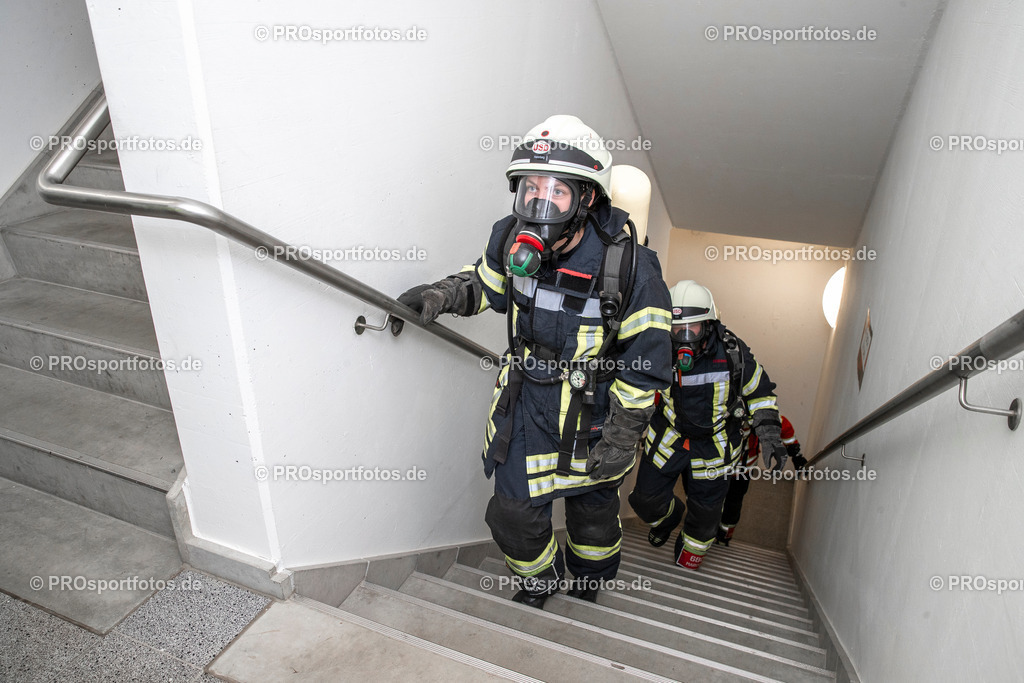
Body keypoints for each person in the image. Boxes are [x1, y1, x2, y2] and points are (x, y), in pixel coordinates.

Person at [397, 115, 673, 608]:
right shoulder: (507, 237)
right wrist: (445, 294)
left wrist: (623, 434)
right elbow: (487, 286)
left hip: (595, 415)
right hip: (525, 402)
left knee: (592, 522)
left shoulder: (629, 266)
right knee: (512, 513)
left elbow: (647, 361)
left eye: (556, 192)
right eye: (530, 189)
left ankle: (589, 580)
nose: (538, 205)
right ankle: (541, 579)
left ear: (587, 198)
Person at [627, 280, 785, 570]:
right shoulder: (658, 350)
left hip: (715, 444)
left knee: (705, 516)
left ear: (710, 323)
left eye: (692, 329)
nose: (683, 337)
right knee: (644, 501)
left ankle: (689, 555)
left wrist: (770, 436)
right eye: (676, 329)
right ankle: (670, 519)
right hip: (669, 436)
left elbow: (760, 394)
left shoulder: (733, 355)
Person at [715, 415, 807, 546]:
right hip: (719, 467)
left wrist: (796, 454)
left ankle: (723, 535)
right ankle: (709, 531)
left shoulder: (758, 411)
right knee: (712, 500)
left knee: (732, 504)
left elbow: (782, 426)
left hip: (740, 469)